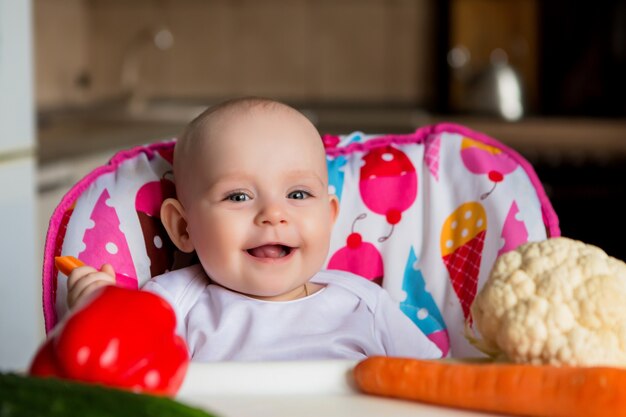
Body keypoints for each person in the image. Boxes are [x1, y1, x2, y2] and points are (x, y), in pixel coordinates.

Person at [65, 97, 442, 361]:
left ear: (329, 216)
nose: (273, 215)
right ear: (183, 227)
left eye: (297, 193)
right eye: (238, 197)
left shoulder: (365, 303)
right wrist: (98, 313)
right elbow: (123, 375)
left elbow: (433, 384)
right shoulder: (172, 304)